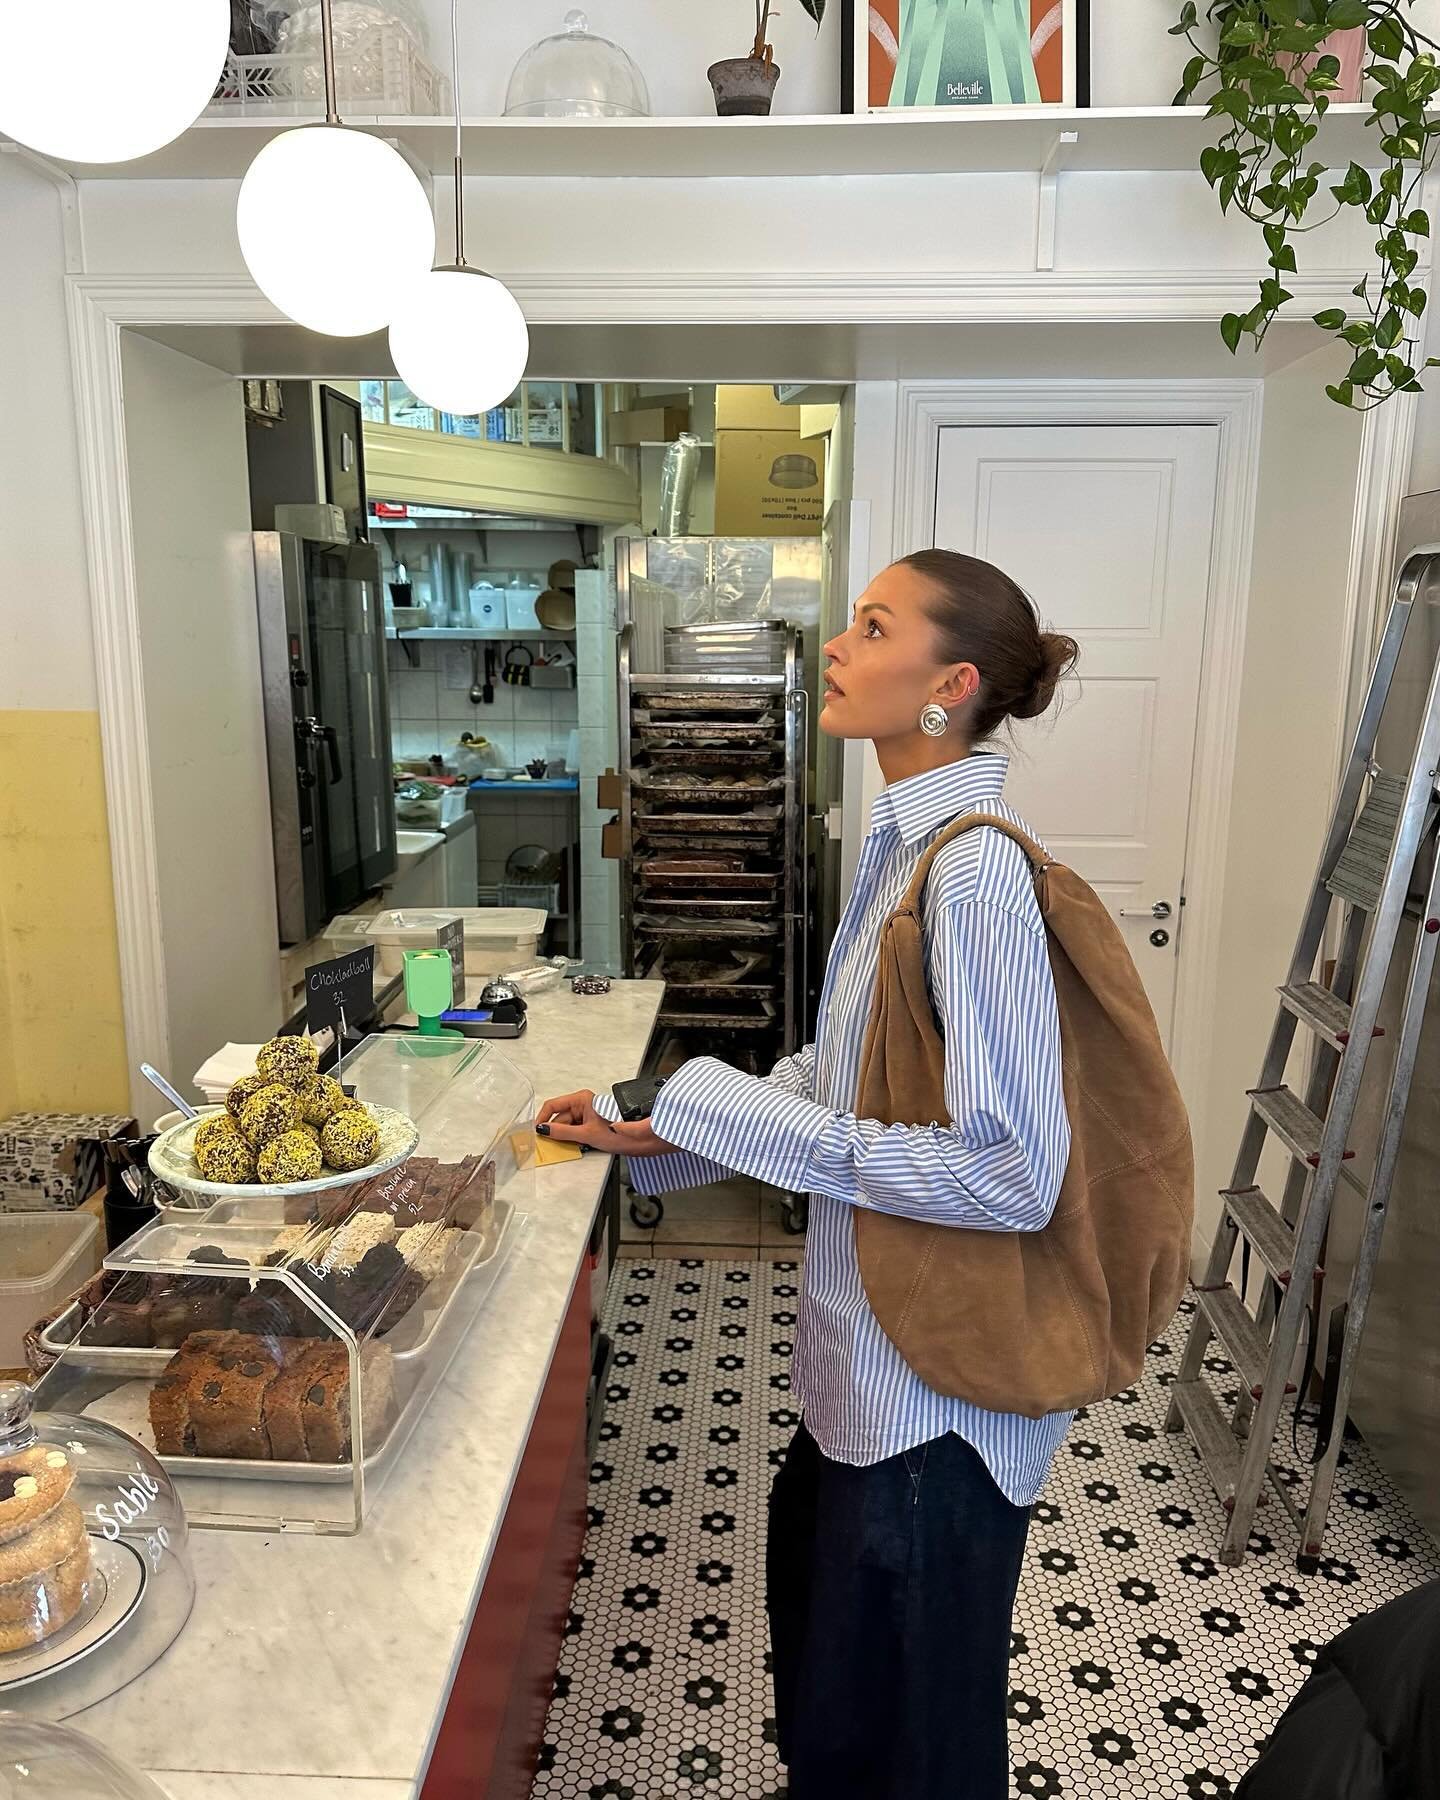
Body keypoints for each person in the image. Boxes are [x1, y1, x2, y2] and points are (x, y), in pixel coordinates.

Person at [538, 550, 1080, 1799]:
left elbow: (1014, 1174)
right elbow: (837, 1084)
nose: (837, 644)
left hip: (937, 1408)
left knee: (921, 1755)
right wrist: (666, 1128)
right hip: (859, 1381)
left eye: (872, 625)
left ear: (947, 686)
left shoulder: (977, 874)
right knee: (836, 1727)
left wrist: (728, 1113)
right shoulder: (903, 853)